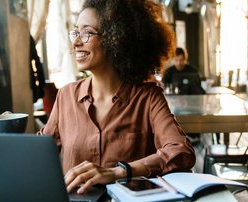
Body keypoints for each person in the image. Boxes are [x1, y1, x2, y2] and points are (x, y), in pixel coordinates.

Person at [38, 0, 196, 195]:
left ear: (116, 38)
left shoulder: (147, 97)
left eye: (87, 32)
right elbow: (40, 152)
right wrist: (9, 134)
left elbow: (181, 152)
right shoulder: (66, 96)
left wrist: (119, 171)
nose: (76, 42)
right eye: (76, 32)